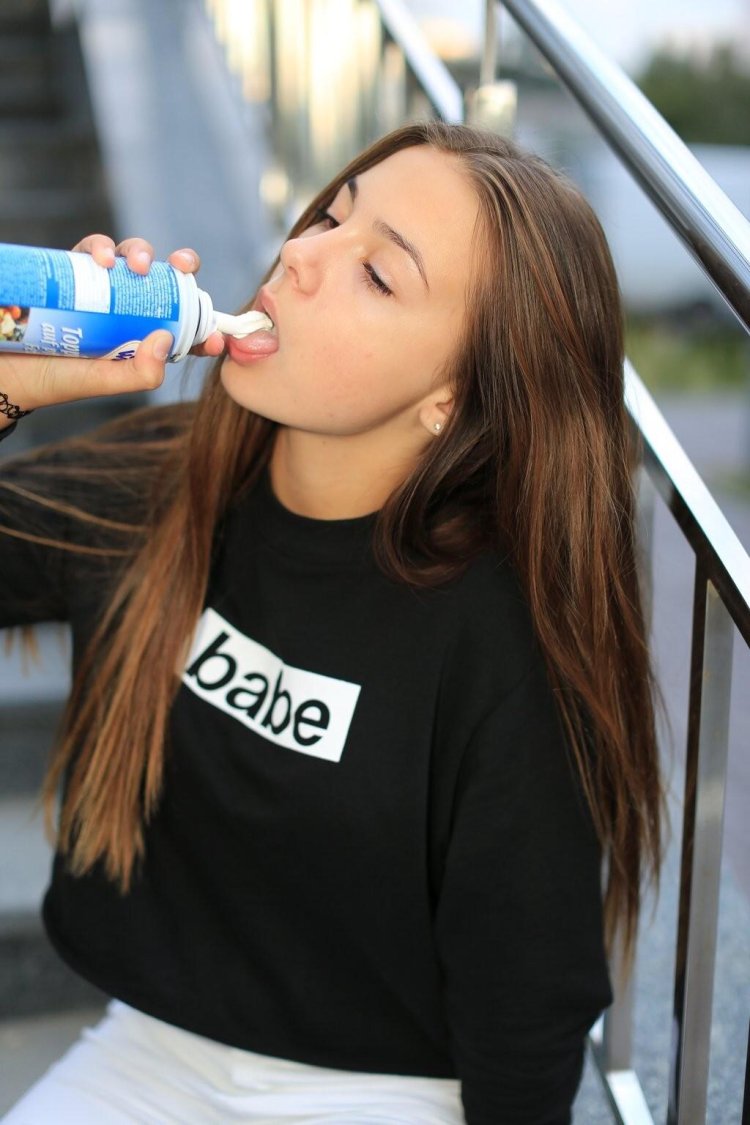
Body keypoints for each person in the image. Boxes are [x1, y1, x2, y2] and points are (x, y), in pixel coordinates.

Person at [0, 121, 663, 1124]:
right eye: (330, 217)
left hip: (390, 1091)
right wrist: (13, 384)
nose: (301, 255)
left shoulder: (500, 633)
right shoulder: (162, 482)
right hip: (149, 1054)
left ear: (451, 399)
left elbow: (527, 1001)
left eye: (378, 274)